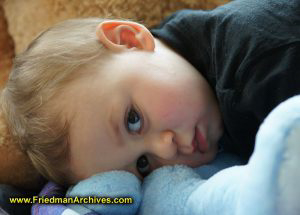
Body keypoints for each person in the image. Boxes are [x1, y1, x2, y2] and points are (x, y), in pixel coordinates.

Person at [1, 0, 300, 187]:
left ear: (131, 39)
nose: (166, 150)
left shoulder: (261, 60)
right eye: (143, 165)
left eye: (133, 120)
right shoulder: (168, 63)